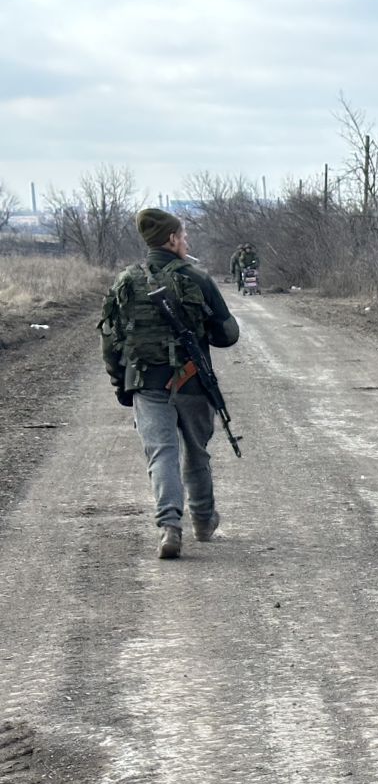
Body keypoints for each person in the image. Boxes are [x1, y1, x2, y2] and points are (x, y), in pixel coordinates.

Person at [100, 208, 241, 559]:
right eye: (184, 235)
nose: (187, 240)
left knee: (161, 452)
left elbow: (110, 340)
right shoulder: (197, 278)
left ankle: (169, 526)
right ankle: (204, 521)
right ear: (172, 239)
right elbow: (228, 335)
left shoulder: (125, 281)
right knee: (196, 451)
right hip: (192, 382)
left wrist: (121, 384)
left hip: (146, 383)